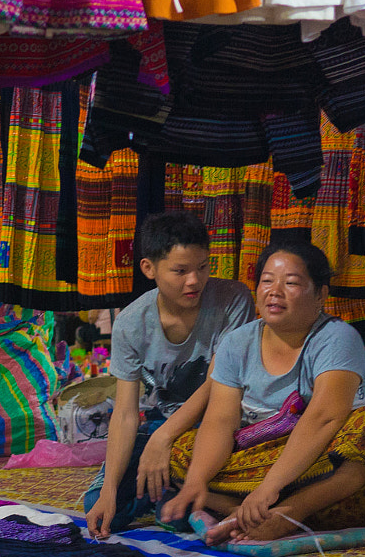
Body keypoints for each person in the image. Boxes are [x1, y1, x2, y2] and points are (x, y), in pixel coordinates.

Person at [159, 241, 365, 545]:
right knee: (181, 452)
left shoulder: (337, 338)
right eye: (267, 281)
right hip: (264, 463)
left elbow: (324, 419)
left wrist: (266, 489)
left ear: (321, 295)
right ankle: (246, 514)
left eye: (291, 283)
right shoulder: (236, 343)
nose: (275, 291)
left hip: (330, 477)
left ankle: (289, 514)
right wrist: (196, 481)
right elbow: (220, 421)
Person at [84, 213, 256, 539]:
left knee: (178, 515)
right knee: (103, 508)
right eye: (180, 271)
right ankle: (166, 492)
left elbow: (218, 382)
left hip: (218, 425)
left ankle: (173, 493)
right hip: (161, 424)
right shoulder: (131, 323)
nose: (194, 280)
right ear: (149, 269)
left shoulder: (233, 300)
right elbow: (123, 413)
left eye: (202, 267)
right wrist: (109, 488)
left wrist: (163, 439)